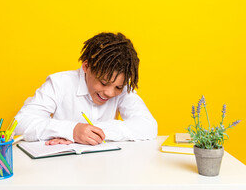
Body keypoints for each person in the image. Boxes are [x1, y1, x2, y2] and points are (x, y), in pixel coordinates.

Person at [14, 32, 157, 145]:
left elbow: (148, 126)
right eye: (103, 82)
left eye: (118, 87)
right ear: (86, 66)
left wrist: (88, 133)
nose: (109, 92)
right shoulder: (59, 83)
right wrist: (72, 130)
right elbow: (20, 123)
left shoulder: (123, 89)